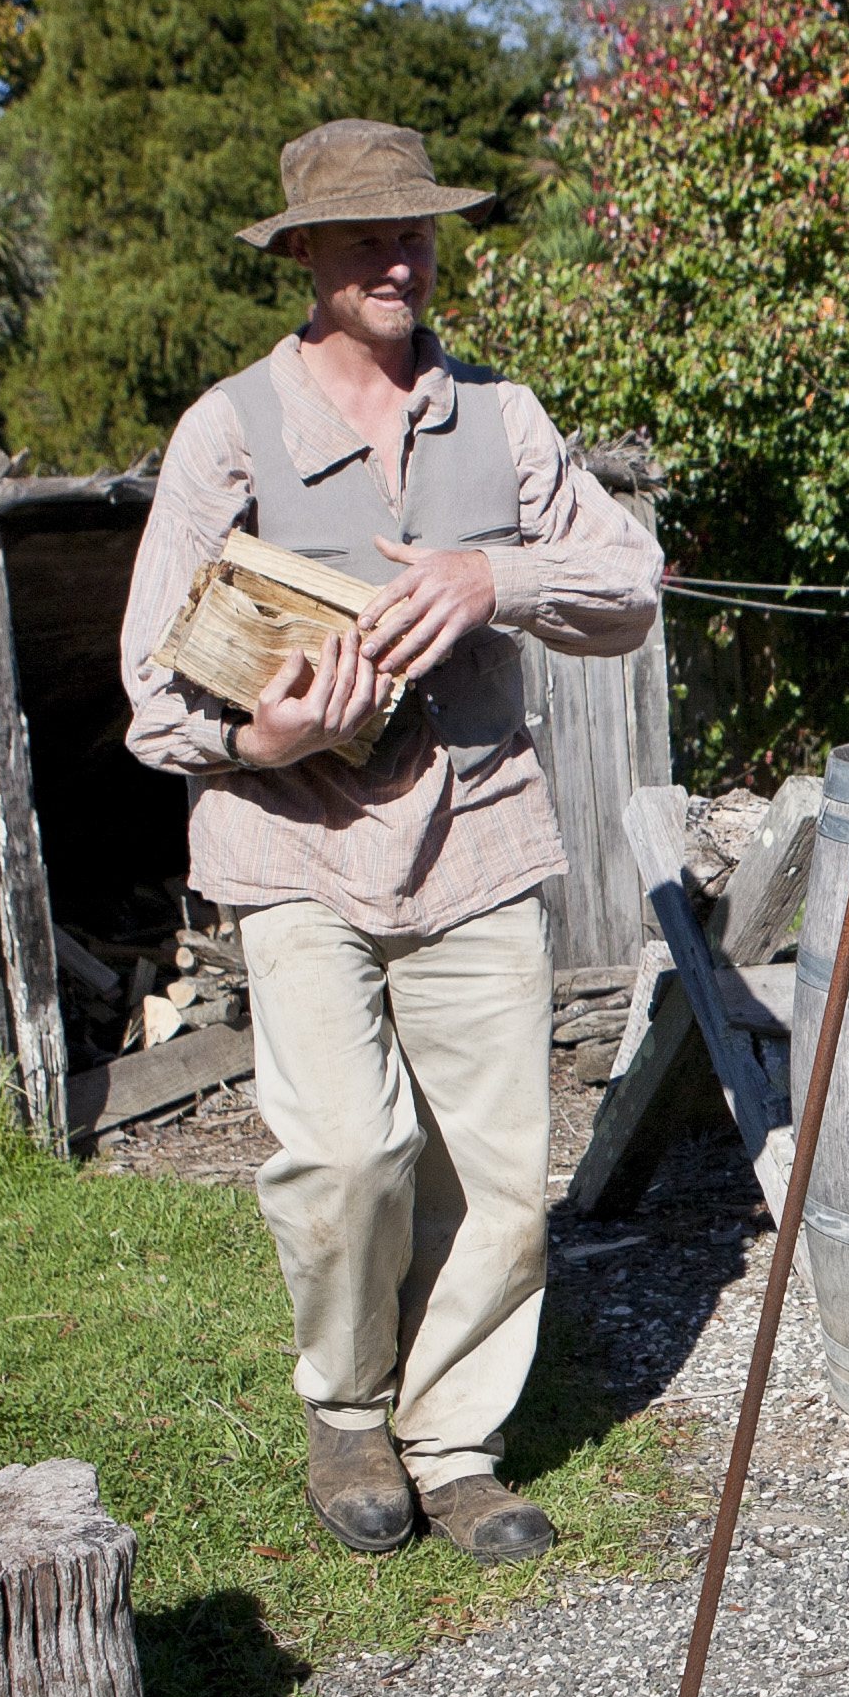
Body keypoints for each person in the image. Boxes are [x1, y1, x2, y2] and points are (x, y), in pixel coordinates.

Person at [121, 119, 663, 1561]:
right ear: (302, 257)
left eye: (414, 231)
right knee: (353, 1151)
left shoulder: (505, 420)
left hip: (478, 832)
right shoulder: (231, 430)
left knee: (498, 1174)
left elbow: (630, 588)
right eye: (364, 236)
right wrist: (265, 740)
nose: (399, 257)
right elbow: (146, 687)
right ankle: (349, 1407)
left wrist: (500, 576)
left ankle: (456, 1440)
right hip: (290, 838)